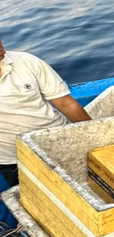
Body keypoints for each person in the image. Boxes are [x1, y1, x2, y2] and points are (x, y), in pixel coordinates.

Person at [0, 38, 91, 187]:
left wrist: (92, 134)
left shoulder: (27, 61)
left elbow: (66, 103)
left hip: (62, 140)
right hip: (14, 160)